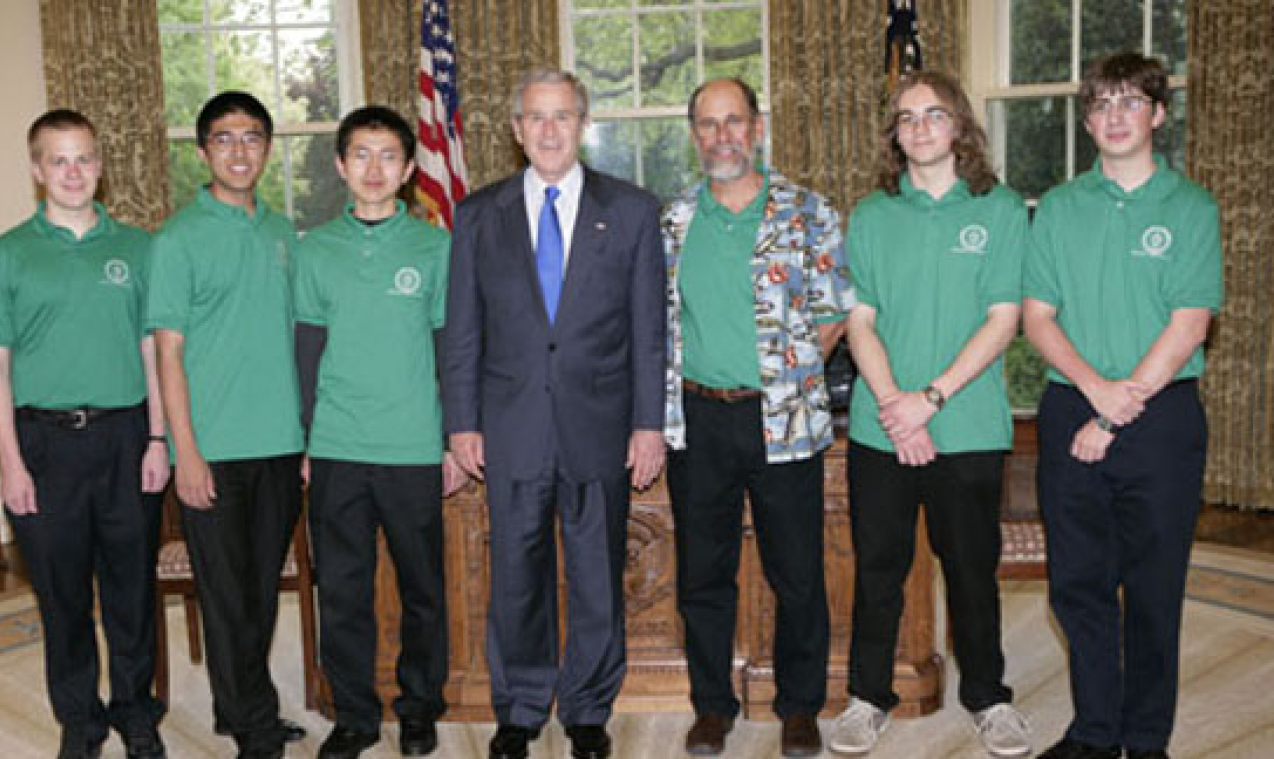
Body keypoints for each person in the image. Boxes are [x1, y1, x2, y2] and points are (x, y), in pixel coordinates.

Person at [440, 68, 666, 759]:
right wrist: (460, 423)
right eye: (534, 117)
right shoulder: (479, 214)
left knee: (598, 573)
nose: (547, 129)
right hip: (508, 427)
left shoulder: (630, 210)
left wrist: (649, 422)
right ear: (514, 129)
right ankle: (521, 706)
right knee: (515, 574)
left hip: (600, 424)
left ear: (582, 123)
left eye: (561, 116)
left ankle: (589, 708)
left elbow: (649, 328)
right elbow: (463, 329)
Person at [1023, 52, 1222, 759]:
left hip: (1159, 422)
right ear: (1087, 118)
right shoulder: (1059, 206)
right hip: (1068, 406)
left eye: (1129, 103)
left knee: (1153, 588)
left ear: (1158, 114)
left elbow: (1188, 324)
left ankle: (1144, 739)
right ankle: (1093, 731)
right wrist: (1093, 393)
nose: (1114, 117)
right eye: (1101, 105)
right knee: (1076, 585)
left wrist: (1113, 412)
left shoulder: (1192, 208)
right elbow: (1038, 317)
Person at [829, 71, 1031, 759]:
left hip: (967, 424)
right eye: (906, 117)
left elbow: (1004, 319)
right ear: (894, 134)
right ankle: (867, 696)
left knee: (972, 569)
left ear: (960, 126)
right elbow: (861, 322)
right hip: (880, 428)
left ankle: (989, 696)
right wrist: (896, 408)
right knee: (879, 568)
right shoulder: (872, 214)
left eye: (933, 114)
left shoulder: (1000, 209)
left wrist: (931, 399)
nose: (919, 127)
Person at [662, 77, 855, 758]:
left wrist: (786, 370)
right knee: (702, 575)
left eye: (734, 121)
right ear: (696, 136)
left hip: (783, 420)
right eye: (709, 124)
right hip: (697, 420)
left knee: (798, 571)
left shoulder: (808, 211)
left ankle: (799, 707)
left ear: (758, 126)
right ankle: (712, 706)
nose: (723, 136)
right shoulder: (675, 218)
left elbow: (836, 312)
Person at [0, 109, 170, 759]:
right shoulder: (3, 256)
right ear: (36, 170)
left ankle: (136, 711)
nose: (74, 171)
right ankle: (79, 720)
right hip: (43, 447)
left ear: (101, 164)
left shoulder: (139, 248)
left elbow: (153, 351)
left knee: (131, 591)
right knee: (61, 597)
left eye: (84, 157)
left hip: (125, 439)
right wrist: (12, 465)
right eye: (59, 160)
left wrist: (158, 439)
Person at [293, 105, 466, 759]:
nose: (373, 168)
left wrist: (453, 438)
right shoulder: (315, 250)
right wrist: (307, 440)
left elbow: (451, 350)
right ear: (341, 166)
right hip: (336, 448)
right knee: (343, 591)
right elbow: (306, 353)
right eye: (360, 154)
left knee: (423, 590)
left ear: (409, 168)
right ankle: (355, 716)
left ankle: (419, 707)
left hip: (413, 448)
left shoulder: (436, 247)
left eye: (388, 155)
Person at [146, 91, 307, 759]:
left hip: (281, 444)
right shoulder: (178, 239)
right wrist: (185, 450)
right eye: (224, 138)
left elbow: (298, 339)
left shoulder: (281, 231)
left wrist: (306, 439)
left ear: (267, 148)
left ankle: (236, 704)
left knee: (261, 590)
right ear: (203, 150)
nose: (239, 150)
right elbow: (168, 351)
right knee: (228, 594)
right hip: (213, 448)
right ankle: (254, 728)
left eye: (252, 138)